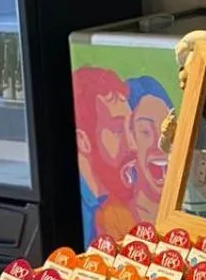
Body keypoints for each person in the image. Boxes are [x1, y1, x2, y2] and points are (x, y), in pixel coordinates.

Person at [72, 66, 136, 240]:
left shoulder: (117, 208)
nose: (133, 145)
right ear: (83, 141)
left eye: (131, 127)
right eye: (117, 130)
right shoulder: (75, 211)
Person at [124, 75, 172, 224]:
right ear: (129, 137)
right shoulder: (113, 216)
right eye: (145, 131)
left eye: (166, 130)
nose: (159, 142)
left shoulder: (189, 211)